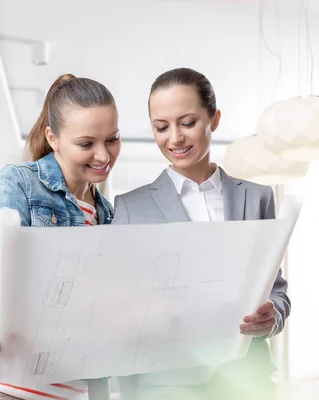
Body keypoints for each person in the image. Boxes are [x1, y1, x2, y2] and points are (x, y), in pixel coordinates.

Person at [113, 67, 291, 400]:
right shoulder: (128, 208)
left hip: (248, 381)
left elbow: (277, 290)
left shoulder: (257, 197)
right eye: (161, 127)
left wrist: (272, 317)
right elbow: (117, 309)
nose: (175, 138)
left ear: (215, 118)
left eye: (188, 122)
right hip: (167, 385)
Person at [0, 74, 121, 400]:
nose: (103, 155)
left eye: (112, 139)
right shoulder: (18, 184)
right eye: (86, 144)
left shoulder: (109, 215)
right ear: (53, 138)